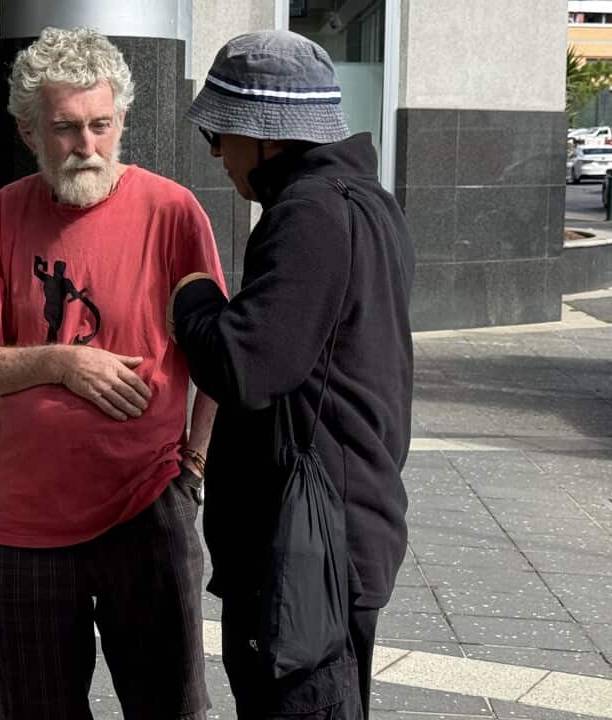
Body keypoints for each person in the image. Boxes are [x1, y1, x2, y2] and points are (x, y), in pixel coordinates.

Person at [0, 26, 224, 720]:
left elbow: (219, 357)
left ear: (122, 119)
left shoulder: (172, 212)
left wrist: (194, 465)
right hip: (25, 523)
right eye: (66, 128)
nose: (87, 145)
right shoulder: (3, 216)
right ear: (28, 131)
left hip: (147, 508)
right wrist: (62, 361)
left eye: (101, 124)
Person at [169, 30, 415, 720]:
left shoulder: (308, 214)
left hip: (306, 552)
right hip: (337, 534)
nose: (216, 153)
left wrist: (193, 296)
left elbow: (244, 366)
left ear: (266, 136)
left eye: (220, 133)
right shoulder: (367, 201)